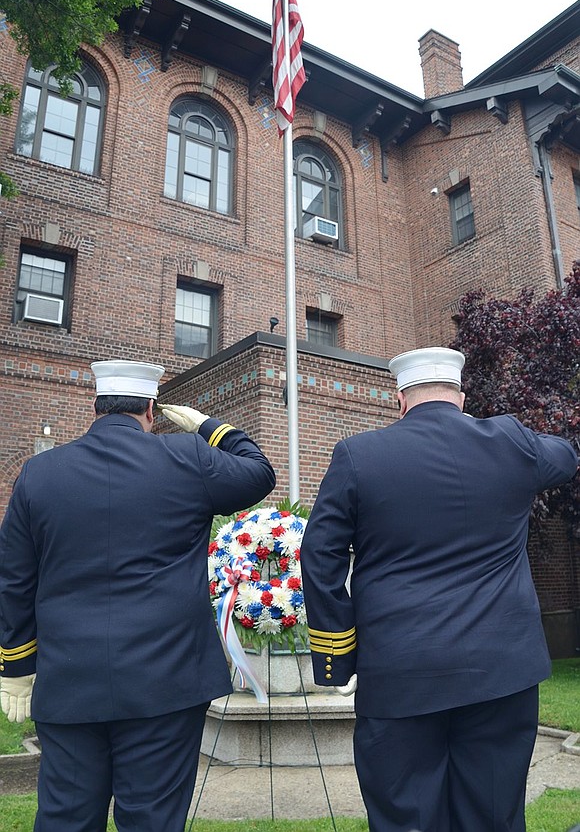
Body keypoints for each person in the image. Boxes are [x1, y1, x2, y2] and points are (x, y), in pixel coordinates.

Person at [301, 346, 578, 832]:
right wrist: (498, 434)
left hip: (401, 672)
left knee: (405, 818)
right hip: (501, 672)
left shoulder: (359, 455)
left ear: (399, 401)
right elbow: (566, 455)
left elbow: (319, 555)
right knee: (492, 817)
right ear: (462, 396)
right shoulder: (512, 442)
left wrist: (337, 653)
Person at [0, 359, 275, 832]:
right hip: (165, 682)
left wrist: (17, 667)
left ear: (96, 407)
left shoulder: (39, 474)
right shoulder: (187, 456)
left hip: (69, 682)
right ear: (151, 408)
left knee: (66, 819)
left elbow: (14, 579)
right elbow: (258, 472)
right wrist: (210, 426)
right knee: (152, 821)